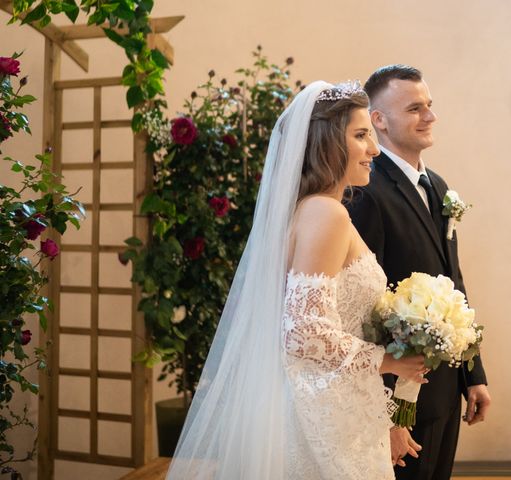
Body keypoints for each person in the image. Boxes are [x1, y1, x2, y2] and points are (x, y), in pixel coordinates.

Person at [166, 80, 428, 480]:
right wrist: (392, 360)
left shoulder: (311, 210)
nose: (374, 149)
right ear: (326, 144)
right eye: (361, 136)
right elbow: (304, 333)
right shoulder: (326, 214)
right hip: (325, 417)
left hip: (337, 403)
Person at [347, 65, 492, 480]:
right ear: (379, 120)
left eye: (429, 106)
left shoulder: (439, 187)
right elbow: (361, 312)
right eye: (414, 108)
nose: (429, 116)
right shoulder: (366, 193)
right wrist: (389, 414)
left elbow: (454, 284)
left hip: (444, 388)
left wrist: (472, 373)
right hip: (400, 401)